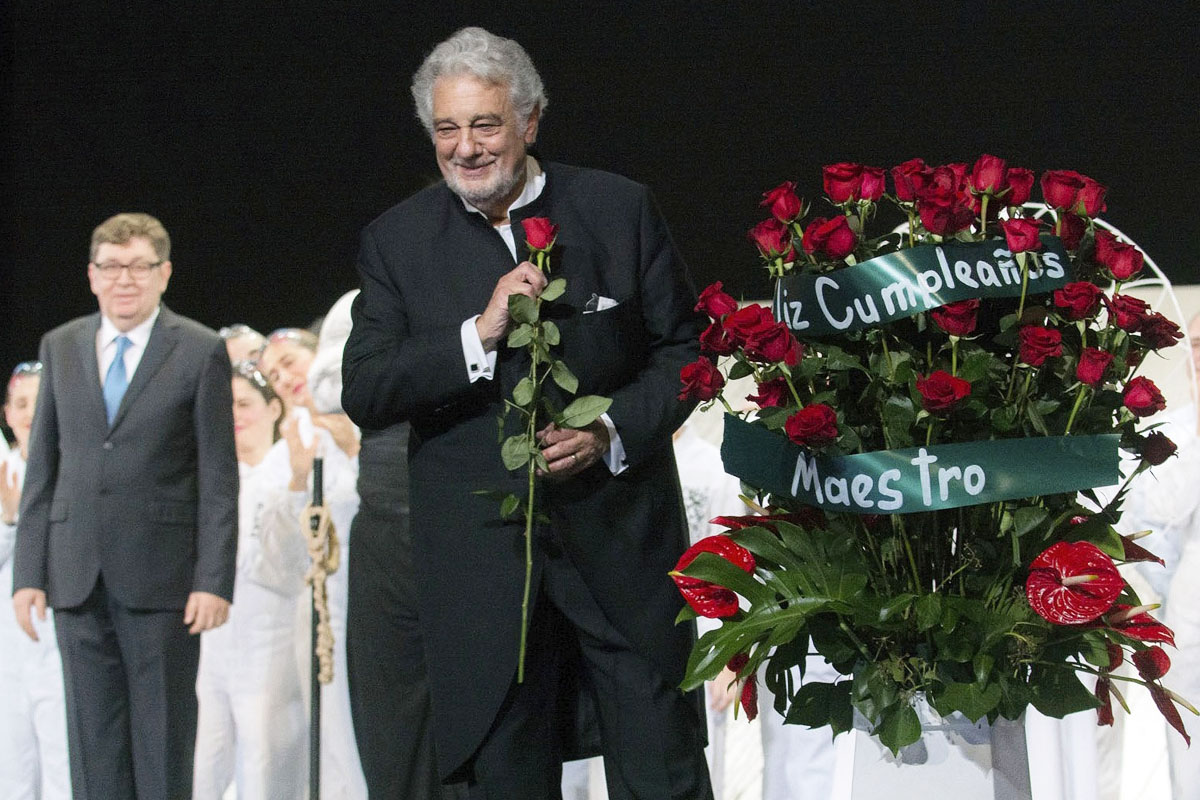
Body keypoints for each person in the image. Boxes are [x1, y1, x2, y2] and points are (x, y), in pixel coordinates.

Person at [341, 27, 710, 799]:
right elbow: (366, 389)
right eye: (447, 128)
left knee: (661, 772)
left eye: (485, 124)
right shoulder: (396, 242)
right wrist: (477, 334)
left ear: (531, 120)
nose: (465, 148)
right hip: (482, 579)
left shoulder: (619, 208)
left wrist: (610, 431)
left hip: (622, 552)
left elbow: (686, 355)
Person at [11, 212, 238, 799]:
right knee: (93, 744)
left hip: (163, 580)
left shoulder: (199, 349)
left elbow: (218, 476)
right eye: (111, 267)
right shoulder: (59, 345)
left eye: (139, 266)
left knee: (162, 739)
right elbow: (43, 467)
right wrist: (29, 574)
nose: (125, 280)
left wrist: (213, 579)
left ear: (163, 274)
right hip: (75, 576)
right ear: (92, 276)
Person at [259, 326, 367, 799]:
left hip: (372, 589)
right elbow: (279, 559)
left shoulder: (364, 417)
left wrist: (351, 447)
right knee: (332, 730)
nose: (284, 377)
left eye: (289, 361)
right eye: (273, 374)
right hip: (322, 609)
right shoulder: (287, 448)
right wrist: (299, 480)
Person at [192, 363, 308, 799]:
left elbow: (287, 564)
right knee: (210, 758)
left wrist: (298, 482)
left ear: (273, 409)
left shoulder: (286, 467)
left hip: (269, 637)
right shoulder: (214, 477)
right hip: (217, 642)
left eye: (244, 403)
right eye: (225, 404)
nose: (233, 413)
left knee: (262, 758)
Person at [0, 361, 71, 799]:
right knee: (12, 766)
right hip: (8, 650)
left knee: (62, 761)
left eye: (38, 401)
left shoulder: (75, 469)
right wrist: (10, 518)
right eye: (20, 403)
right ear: (7, 414)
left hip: (58, 641)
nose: (30, 412)